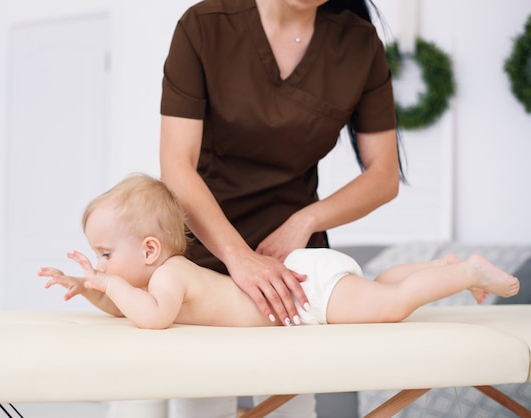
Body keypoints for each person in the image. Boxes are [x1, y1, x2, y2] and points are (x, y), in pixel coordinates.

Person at [159, 0, 403, 414]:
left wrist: (305, 219)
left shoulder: (359, 45)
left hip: (293, 261)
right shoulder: (204, 26)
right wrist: (238, 256)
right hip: (204, 247)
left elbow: (384, 177)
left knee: (288, 404)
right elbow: (176, 166)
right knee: (201, 402)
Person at [38, 173, 520, 330]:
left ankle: (469, 274)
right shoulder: (151, 280)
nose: (101, 265)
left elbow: (152, 318)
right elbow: (127, 310)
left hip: (299, 295)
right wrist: (88, 290)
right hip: (294, 280)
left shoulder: (170, 275)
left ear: (149, 250)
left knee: (390, 308)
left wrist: (109, 283)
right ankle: (439, 267)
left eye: (103, 254)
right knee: (375, 292)